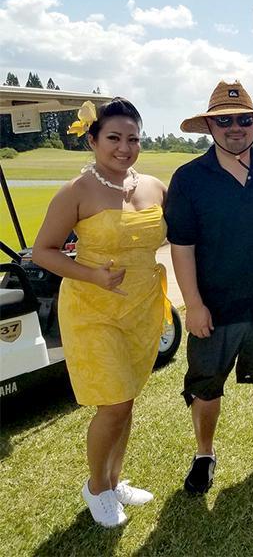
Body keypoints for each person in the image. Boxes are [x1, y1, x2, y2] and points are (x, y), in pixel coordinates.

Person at [32, 98, 169, 527]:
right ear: (92, 140)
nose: (124, 147)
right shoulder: (76, 191)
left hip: (143, 307)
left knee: (125, 401)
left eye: (133, 139)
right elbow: (43, 252)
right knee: (113, 403)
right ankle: (96, 487)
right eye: (114, 138)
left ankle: (113, 479)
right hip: (93, 309)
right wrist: (91, 274)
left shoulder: (153, 186)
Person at [165, 80, 253, 495]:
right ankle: (204, 454)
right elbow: (182, 248)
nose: (234, 127)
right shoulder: (188, 178)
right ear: (210, 126)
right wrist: (193, 305)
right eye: (224, 120)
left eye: (243, 119)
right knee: (205, 385)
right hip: (214, 307)